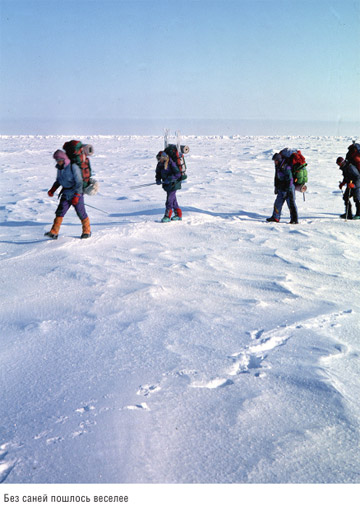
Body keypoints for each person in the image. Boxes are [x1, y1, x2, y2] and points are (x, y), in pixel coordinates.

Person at [44, 149, 91, 239]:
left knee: (81, 213)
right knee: (60, 212)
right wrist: (52, 190)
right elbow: (59, 180)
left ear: (64, 159)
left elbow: (79, 182)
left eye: (59, 160)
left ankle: (87, 231)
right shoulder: (60, 168)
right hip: (65, 193)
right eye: (56, 160)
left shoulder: (73, 167)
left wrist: (77, 196)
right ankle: (54, 232)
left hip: (76, 193)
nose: (58, 162)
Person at [267, 152, 298, 224]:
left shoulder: (286, 167)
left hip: (288, 189)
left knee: (291, 204)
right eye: (274, 161)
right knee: (277, 203)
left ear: (279, 160)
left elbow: (290, 179)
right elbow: (277, 178)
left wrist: (289, 191)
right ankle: (275, 217)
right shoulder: (278, 166)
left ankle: (294, 220)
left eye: (275, 160)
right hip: (281, 188)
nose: (274, 162)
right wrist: (276, 187)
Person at [155, 151, 183, 222]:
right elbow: (158, 173)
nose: (159, 160)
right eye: (158, 159)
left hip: (174, 184)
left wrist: (169, 179)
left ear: (164, 158)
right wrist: (158, 179)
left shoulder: (171, 163)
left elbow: (178, 174)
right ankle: (178, 215)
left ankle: (167, 216)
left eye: (160, 158)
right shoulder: (160, 164)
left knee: (169, 200)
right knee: (173, 200)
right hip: (167, 185)